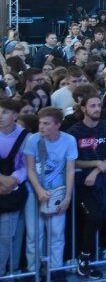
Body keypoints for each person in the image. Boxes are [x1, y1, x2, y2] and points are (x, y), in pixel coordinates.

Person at [24, 107, 77, 282]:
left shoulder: (69, 140)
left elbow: (70, 171)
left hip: (58, 192)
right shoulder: (33, 140)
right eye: (40, 122)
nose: (41, 126)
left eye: (46, 123)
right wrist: (39, 191)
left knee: (57, 233)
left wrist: (68, 196)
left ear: (57, 125)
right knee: (34, 234)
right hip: (34, 192)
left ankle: (56, 268)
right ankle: (33, 270)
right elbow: (30, 169)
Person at [0, 99, 29, 277]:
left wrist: (12, 180)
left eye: (5, 112)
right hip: (5, 184)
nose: (0, 116)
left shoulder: (26, 136)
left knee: (5, 238)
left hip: (12, 192)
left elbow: (27, 166)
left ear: (16, 115)